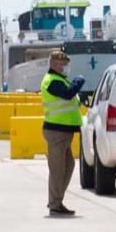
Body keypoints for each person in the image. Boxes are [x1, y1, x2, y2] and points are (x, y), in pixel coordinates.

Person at [40, 50, 85, 216]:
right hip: (56, 131)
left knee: (68, 165)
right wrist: (77, 83)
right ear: (53, 64)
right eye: (61, 64)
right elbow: (67, 95)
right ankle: (55, 203)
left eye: (65, 64)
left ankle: (56, 200)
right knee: (58, 169)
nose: (64, 67)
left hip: (63, 130)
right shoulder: (51, 81)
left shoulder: (60, 80)